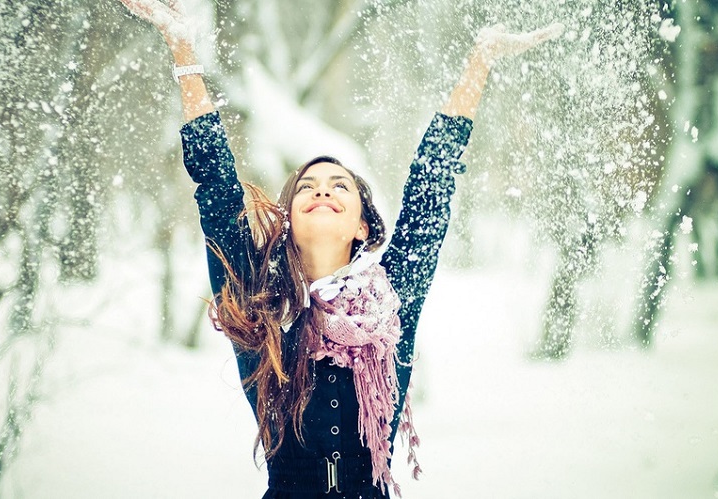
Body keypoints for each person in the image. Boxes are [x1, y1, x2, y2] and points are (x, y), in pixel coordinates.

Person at [118, 1, 563, 497]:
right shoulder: (259, 301)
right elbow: (217, 191)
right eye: (308, 186)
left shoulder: (393, 299)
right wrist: (182, 45)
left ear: (361, 225)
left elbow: (431, 185)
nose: (323, 190)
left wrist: (479, 62)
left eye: (340, 186)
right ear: (288, 219)